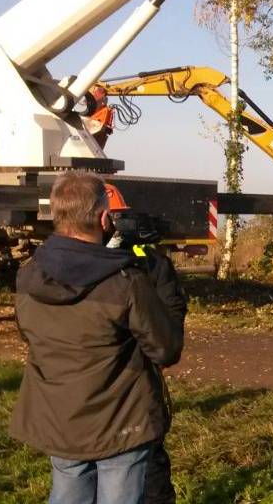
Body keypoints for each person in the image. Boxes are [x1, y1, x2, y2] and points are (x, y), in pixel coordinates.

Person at [11, 172, 181, 504]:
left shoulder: (28, 275)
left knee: (68, 491)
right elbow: (166, 349)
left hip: (57, 417)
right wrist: (166, 293)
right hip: (119, 421)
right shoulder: (126, 281)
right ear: (105, 218)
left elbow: (28, 332)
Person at [104, 183, 188, 504]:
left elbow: (172, 322)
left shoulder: (150, 264)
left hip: (83, 408)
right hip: (133, 393)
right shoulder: (146, 265)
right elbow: (170, 330)